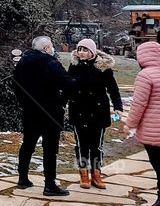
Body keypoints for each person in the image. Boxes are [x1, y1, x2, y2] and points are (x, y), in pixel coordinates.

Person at [13, 35, 77, 197]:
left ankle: (23, 179)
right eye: (51, 46)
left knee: (28, 144)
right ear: (46, 48)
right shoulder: (51, 63)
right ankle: (49, 184)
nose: (53, 48)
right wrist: (62, 101)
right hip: (51, 111)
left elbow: (16, 86)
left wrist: (24, 103)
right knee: (50, 148)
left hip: (29, 111)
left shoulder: (22, 62)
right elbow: (69, 83)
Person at [67, 38, 123, 189]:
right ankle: (83, 174)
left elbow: (113, 89)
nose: (81, 53)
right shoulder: (74, 66)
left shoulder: (103, 67)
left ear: (92, 51)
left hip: (98, 111)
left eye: (85, 50)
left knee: (96, 145)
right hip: (78, 110)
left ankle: (96, 175)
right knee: (81, 145)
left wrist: (118, 106)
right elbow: (67, 86)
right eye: (79, 49)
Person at [126, 39, 160, 206]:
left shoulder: (145, 75)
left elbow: (139, 104)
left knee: (158, 164)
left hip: (153, 130)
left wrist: (130, 124)